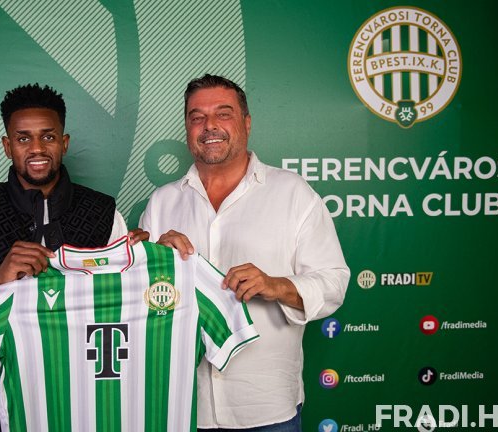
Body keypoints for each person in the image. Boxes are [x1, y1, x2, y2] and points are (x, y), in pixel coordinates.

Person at [140, 74, 350, 431]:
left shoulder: (293, 193)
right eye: (197, 117)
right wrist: (154, 265)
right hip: (182, 408)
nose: (209, 126)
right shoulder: (162, 202)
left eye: (223, 114)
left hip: (266, 409)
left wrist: (276, 285)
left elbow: (334, 283)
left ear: (246, 123)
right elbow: (142, 304)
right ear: (187, 128)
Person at [0, 83, 144, 431]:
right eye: (23, 138)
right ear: (7, 146)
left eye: (48, 137)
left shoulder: (103, 212)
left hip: (86, 398)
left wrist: (154, 260)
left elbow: (131, 309)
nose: (36, 148)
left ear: (64, 143)